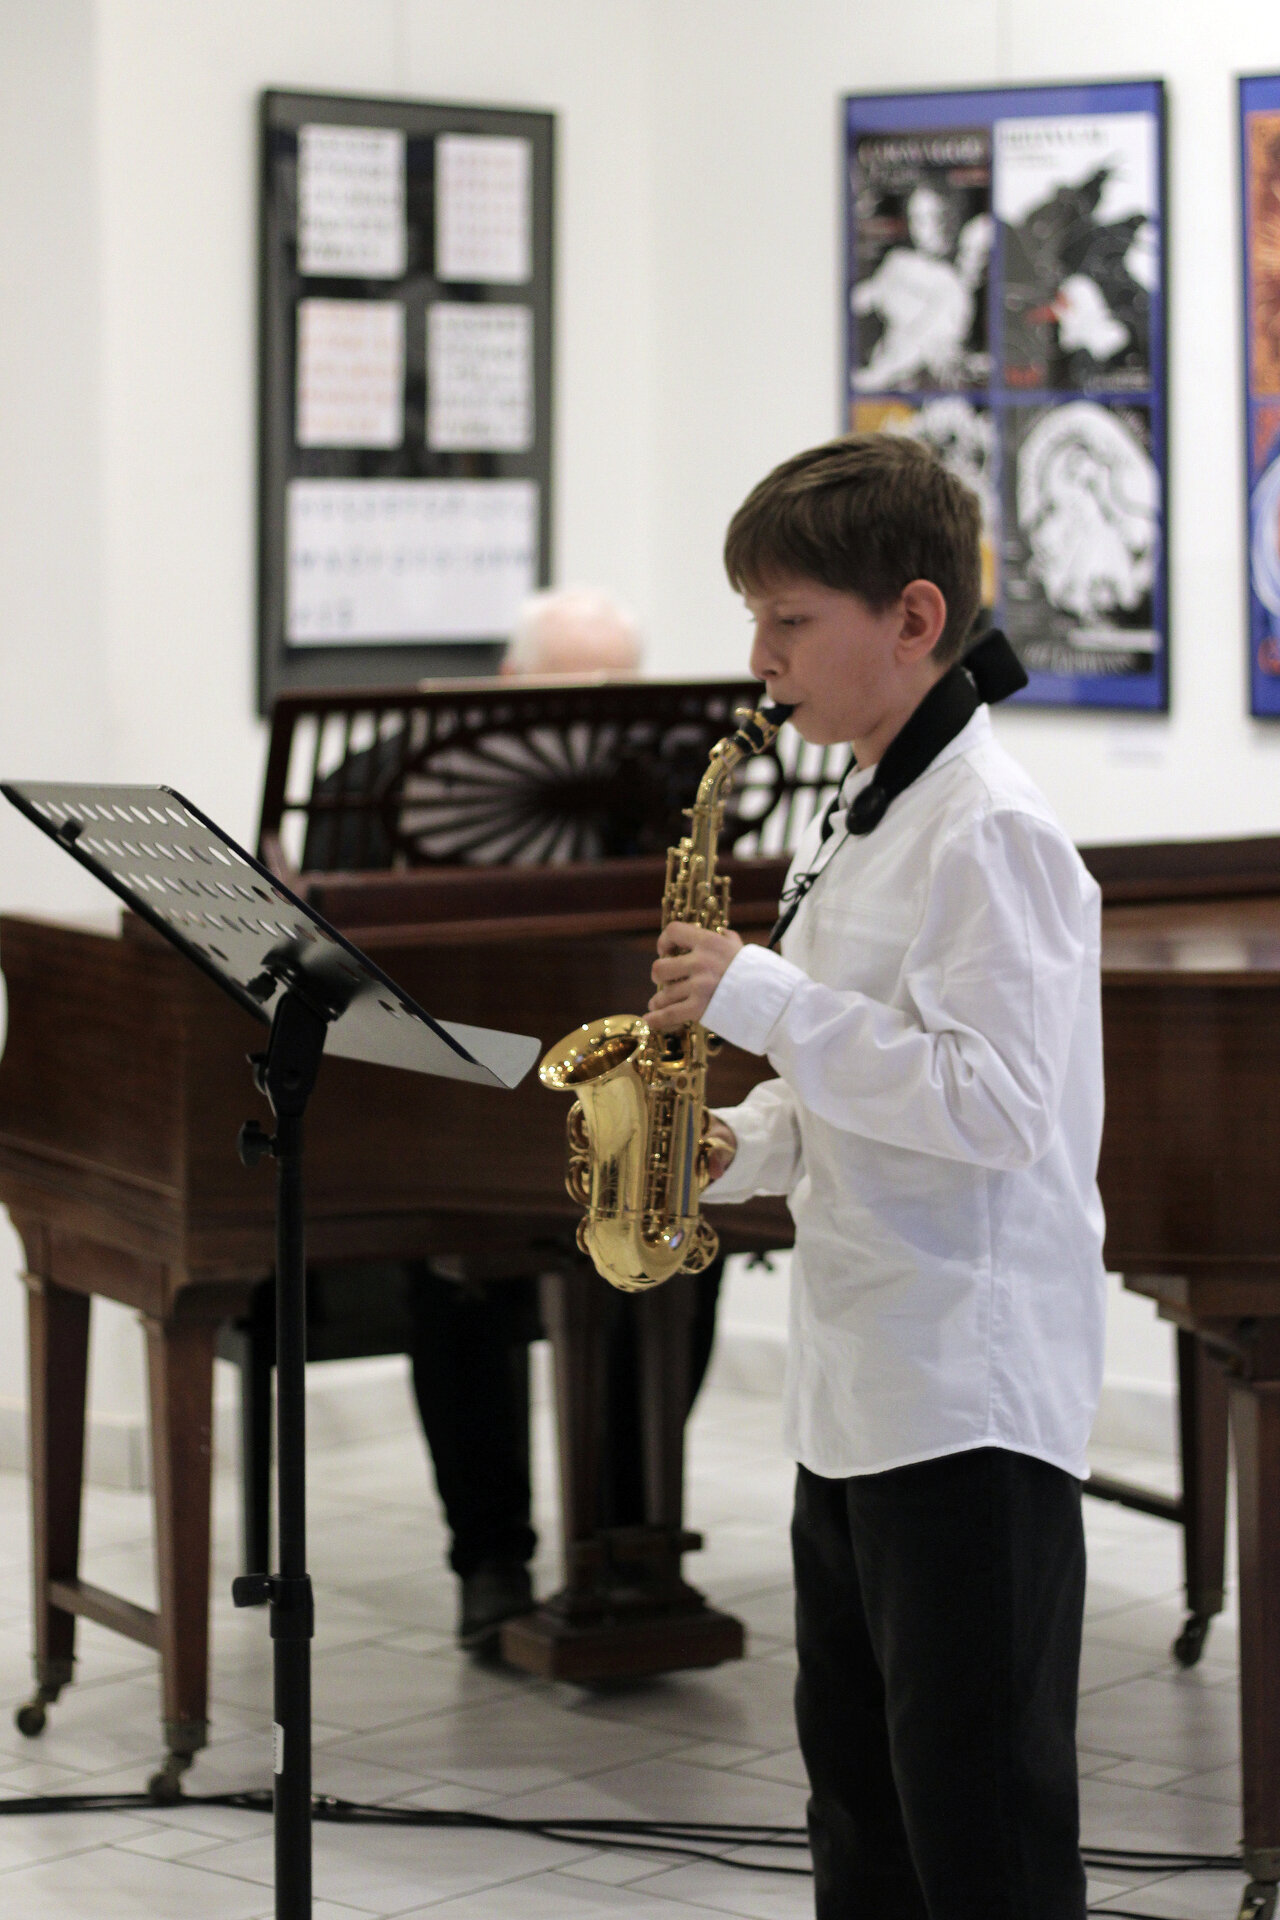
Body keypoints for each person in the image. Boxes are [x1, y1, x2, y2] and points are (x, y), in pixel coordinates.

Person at [646, 433, 1105, 1920]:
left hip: (967, 1395)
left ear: (913, 619)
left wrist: (762, 995)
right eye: (756, 620)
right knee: (863, 1812)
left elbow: (996, 1104)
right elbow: (861, 1075)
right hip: (861, 1384)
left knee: (981, 1834)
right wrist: (739, 1141)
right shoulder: (862, 806)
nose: (760, 659)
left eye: (789, 620)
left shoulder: (993, 831)